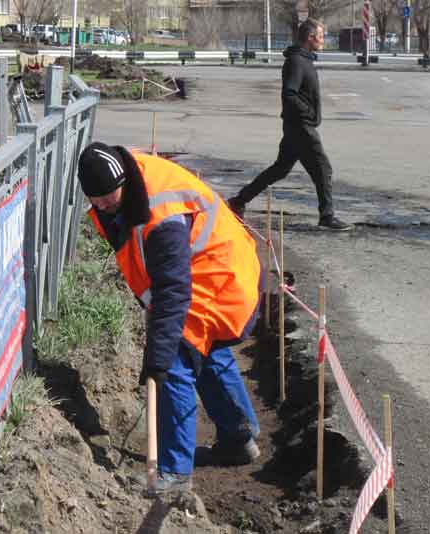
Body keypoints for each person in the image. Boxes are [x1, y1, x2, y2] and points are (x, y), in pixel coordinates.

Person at [77, 142, 263, 494]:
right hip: (215, 266)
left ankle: (174, 474)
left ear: (124, 182)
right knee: (203, 351)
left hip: (220, 276)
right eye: (95, 201)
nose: (102, 207)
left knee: (176, 358)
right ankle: (239, 438)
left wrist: (158, 359)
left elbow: (173, 293)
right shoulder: (129, 176)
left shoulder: (163, 218)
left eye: (108, 198)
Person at [227, 19, 352, 231]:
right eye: (321, 36)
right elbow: (289, 94)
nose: (323, 40)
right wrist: (309, 113)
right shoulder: (296, 61)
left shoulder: (304, 60)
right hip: (301, 127)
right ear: (310, 38)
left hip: (296, 126)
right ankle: (327, 216)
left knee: (279, 170)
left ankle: (238, 201)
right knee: (323, 169)